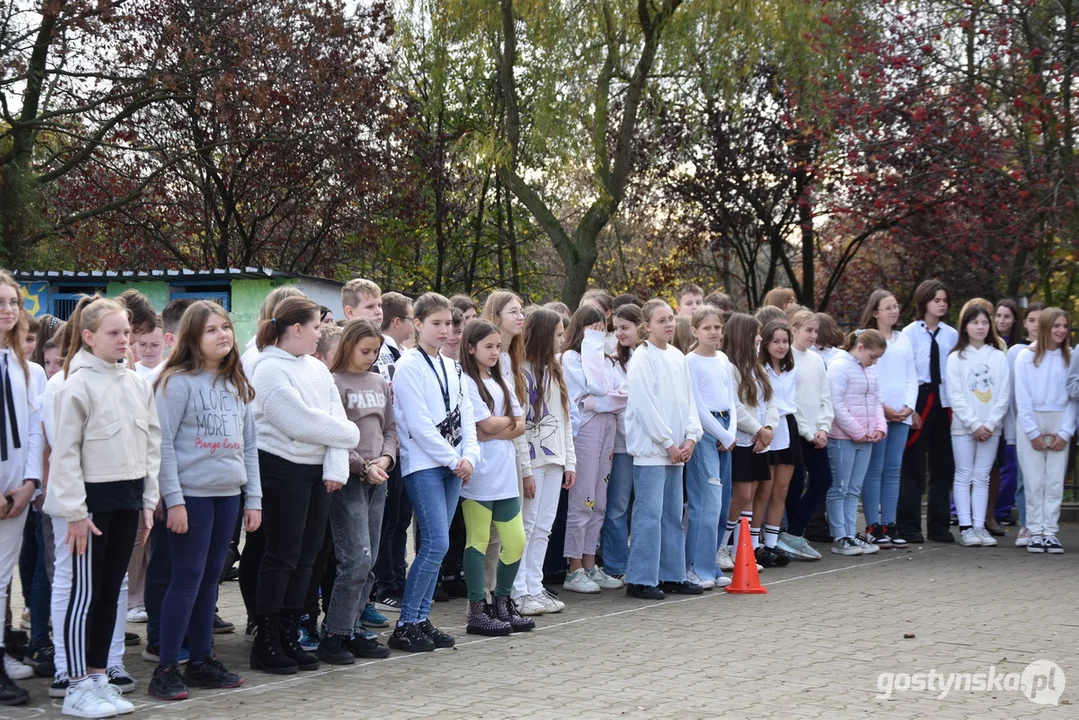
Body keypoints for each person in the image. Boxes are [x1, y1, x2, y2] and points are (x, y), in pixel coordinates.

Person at [45, 294, 160, 718]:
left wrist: (148, 502)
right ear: (89, 336)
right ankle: (75, 685)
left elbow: (151, 444)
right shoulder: (75, 384)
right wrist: (74, 512)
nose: (124, 340)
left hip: (128, 500)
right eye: (114, 333)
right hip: (91, 507)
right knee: (83, 596)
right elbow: (66, 454)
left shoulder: (135, 383)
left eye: (127, 332)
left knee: (111, 592)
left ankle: (98, 677)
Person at [149, 301, 261, 700]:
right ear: (193, 337)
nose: (223, 335)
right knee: (187, 580)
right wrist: (173, 500)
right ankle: (166, 667)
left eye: (226, 327)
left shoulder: (237, 382)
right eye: (212, 329)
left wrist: (254, 500)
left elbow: (249, 446)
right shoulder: (176, 382)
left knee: (211, 581)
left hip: (228, 496)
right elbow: (160, 445)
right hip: (191, 498)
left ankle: (201, 660)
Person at [249, 296, 359, 675]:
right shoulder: (267, 368)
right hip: (280, 469)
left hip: (315, 474)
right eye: (315, 327)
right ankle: (267, 640)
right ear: (296, 329)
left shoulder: (316, 368)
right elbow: (297, 421)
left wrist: (335, 468)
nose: (320, 334)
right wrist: (350, 433)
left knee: (309, 555)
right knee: (281, 555)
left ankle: (291, 635)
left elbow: (331, 417)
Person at [389, 293, 479, 651]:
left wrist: (470, 456)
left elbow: (466, 414)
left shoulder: (453, 366)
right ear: (418, 324)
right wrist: (452, 459)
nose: (444, 331)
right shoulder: (408, 365)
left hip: (454, 465)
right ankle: (407, 622)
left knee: (437, 547)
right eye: (436, 324)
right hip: (426, 464)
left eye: (449, 324)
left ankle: (421, 619)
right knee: (437, 543)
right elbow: (418, 424)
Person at [317, 318, 396, 665]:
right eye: (365, 351)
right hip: (349, 481)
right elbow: (332, 434)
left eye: (376, 351)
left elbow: (391, 428)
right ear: (348, 346)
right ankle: (334, 633)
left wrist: (387, 458)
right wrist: (361, 466)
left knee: (371, 558)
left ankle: (352, 629)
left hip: (378, 480)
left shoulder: (380, 382)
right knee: (356, 559)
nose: (371, 357)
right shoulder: (332, 383)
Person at [458, 320, 534, 635]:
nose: (494, 352)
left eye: (497, 346)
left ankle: (502, 601)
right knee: (477, 541)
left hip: (504, 473)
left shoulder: (500, 380)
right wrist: (499, 427)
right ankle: (478, 608)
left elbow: (520, 423)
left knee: (515, 541)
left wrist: (495, 427)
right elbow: (484, 428)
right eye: (488, 346)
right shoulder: (466, 381)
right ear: (471, 347)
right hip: (478, 473)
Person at [624, 300, 702, 600]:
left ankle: (672, 574)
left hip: (677, 451)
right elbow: (645, 407)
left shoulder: (679, 357)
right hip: (653, 452)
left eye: (671, 318)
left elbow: (688, 402)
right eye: (661, 320)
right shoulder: (642, 358)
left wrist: (691, 437)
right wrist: (667, 443)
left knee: (672, 513)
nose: (668, 324)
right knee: (649, 514)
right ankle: (641, 577)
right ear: (647, 326)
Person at [512, 308, 577, 614]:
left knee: (544, 527)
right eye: (558, 334)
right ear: (543, 335)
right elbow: (519, 425)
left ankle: (535, 586)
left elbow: (564, 420)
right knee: (527, 523)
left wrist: (570, 462)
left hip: (555, 459)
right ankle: (518, 589)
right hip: (532, 461)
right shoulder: (519, 371)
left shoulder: (554, 370)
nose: (562, 340)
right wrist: (525, 467)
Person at [0, 273, 43, 707]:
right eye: (0, 303)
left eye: (12, 302)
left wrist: (29, 483)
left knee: (0, 579)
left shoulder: (25, 368)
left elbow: (33, 433)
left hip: (17, 490)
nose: (8, 310)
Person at [560, 305, 624, 593]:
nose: (600, 334)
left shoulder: (609, 360)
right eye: (593, 328)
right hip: (586, 431)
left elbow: (623, 396)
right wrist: (596, 400)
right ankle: (573, 567)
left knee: (599, 500)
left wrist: (596, 401)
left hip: (608, 429)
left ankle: (589, 562)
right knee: (582, 499)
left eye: (602, 328)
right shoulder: (571, 358)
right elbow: (595, 389)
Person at [898, 280, 959, 544]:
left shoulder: (951, 335)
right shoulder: (909, 334)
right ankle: (909, 525)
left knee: (943, 465)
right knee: (912, 466)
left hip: (944, 400)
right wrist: (910, 409)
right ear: (924, 302)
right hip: (920, 397)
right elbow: (906, 372)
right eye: (936, 300)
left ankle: (939, 525)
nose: (941, 304)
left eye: (944, 300)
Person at [946, 305, 1011, 548]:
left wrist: (990, 423)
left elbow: (1004, 394)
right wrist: (973, 424)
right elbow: (955, 395)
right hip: (964, 428)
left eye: (984, 322)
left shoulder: (998, 356)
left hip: (991, 428)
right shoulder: (956, 358)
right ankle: (965, 527)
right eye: (975, 322)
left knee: (982, 477)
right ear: (965, 326)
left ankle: (979, 525)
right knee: (964, 475)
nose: (980, 327)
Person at [858, 290, 917, 549]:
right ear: (875, 312)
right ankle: (873, 526)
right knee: (875, 470)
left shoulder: (904, 340)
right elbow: (866, 378)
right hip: (877, 413)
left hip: (901, 415)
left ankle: (890, 523)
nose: (894, 311)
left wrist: (909, 407)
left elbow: (911, 376)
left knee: (894, 470)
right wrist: (883, 408)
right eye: (888, 307)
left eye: (896, 306)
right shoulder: (866, 338)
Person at [1014, 308, 1075, 554]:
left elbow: (1074, 398)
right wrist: (1032, 432)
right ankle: (1035, 529)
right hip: (1033, 420)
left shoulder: (1071, 357)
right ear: (1046, 326)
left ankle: (1050, 531)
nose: (1061, 331)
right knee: (1034, 480)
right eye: (1056, 325)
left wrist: (1065, 432)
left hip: (1060, 420)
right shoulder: (1025, 357)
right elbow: (1023, 398)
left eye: (1065, 326)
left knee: (1054, 481)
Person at [684, 305, 736, 588]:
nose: (714, 332)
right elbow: (698, 406)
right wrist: (720, 433)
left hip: (725, 429)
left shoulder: (724, 359)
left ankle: (710, 564)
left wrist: (730, 431)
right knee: (706, 502)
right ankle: (695, 566)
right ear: (695, 331)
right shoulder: (690, 362)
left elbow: (731, 399)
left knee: (722, 502)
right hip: (706, 432)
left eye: (717, 327)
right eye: (707, 328)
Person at [719, 313, 776, 572]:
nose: (760, 338)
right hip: (742, 440)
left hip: (758, 440)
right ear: (744, 335)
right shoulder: (729, 368)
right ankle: (722, 546)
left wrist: (768, 429)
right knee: (740, 495)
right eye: (756, 333)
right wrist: (757, 430)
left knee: (750, 496)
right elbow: (736, 407)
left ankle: (744, 549)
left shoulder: (758, 367)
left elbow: (770, 402)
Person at [826, 329, 887, 556]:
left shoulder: (870, 371)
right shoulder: (839, 366)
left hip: (866, 438)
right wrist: (856, 430)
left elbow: (877, 400)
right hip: (843, 438)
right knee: (839, 488)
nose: (874, 362)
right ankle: (840, 535)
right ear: (860, 348)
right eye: (873, 356)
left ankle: (851, 534)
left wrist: (880, 427)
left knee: (854, 489)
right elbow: (836, 404)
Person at [778, 309, 833, 561]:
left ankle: (793, 532)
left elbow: (825, 397)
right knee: (794, 483)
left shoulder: (816, 360)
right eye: (808, 330)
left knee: (823, 479)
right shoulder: (788, 359)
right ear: (794, 330)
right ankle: (790, 534)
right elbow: (791, 401)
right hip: (797, 432)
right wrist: (808, 432)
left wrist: (823, 428)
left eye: (815, 331)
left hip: (816, 432)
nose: (813, 335)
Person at [598, 303, 640, 581]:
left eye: (625, 328)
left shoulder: (650, 357)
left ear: (641, 326)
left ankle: (642, 560)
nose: (619, 334)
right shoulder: (613, 361)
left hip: (652, 447)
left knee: (646, 508)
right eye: (615, 329)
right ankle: (616, 564)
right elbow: (618, 403)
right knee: (617, 506)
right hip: (624, 445)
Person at [757, 320, 798, 568]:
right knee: (764, 489)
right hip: (767, 429)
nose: (781, 346)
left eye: (785, 341)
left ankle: (771, 545)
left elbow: (792, 402)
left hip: (787, 429)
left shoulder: (792, 369)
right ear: (766, 343)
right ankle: (754, 545)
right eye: (776, 341)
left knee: (781, 490)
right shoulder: (759, 369)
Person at [1006, 303, 1045, 547]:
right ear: (1026, 323)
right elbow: (1014, 394)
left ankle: (1045, 525)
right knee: (1025, 478)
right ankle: (1028, 525)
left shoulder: (1063, 353)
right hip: (1025, 423)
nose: (1037, 325)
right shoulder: (1018, 353)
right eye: (1032, 320)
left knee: (1048, 479)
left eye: (1042, 320)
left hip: (1052, 423)